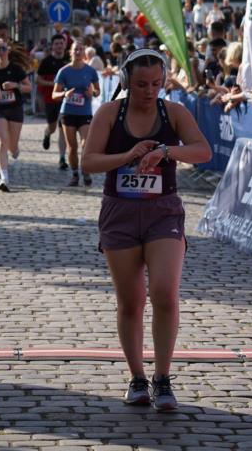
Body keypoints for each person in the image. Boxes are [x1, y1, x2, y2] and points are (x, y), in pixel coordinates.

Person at [82, 49, 211, 411]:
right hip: (120, 213)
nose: (149, 91)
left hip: (162, 212)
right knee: (132, 301)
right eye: (140, 84)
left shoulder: (174, 112)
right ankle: (137, 377)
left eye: (156, 83)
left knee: (165, 292)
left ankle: (163, 378)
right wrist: (127, 157)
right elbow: (88, 161)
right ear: (125, 81)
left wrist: (167, 152)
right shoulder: (110, 113)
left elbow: (203, 151)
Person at [52, 40, 100, 187]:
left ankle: (85, 170)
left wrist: (93, 92)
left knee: (86, 143)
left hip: (85, 112)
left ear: (84, 52)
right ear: (70, 52)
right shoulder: (64, 71)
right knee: (72, 147)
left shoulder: (90, 71)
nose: (78, 52)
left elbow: (98, 92)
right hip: (68, 112)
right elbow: (54, 94)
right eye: (75, 50)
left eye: (80, 49)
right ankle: (74, 173)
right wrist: (65, 94)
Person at [0, 38, 31, 192]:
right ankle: (4, 178)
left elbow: (29, 87)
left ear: (8, 51)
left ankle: (15, 149)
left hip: (15, 108)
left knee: (12, 146)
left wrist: (16, 85)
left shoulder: (16, 69)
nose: (1, 52)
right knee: (1, 141)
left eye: (3, 49)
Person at [36, 33, 69, 170]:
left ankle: (62, 158)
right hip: (50, 99)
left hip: (66, 100)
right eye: (56, 44)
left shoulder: (69, 60)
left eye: (61, 43)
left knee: (63, 129)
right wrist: (53, 84)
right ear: (52, 46)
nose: (59, 46)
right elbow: (38, 80)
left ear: (65, 45)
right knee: (53, 127)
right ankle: (47, 133)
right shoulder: (46, 62)